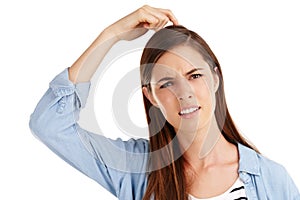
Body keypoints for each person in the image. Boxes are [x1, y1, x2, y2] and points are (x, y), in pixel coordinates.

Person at [29, 5, 299, 200]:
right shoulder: (135, 169)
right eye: (167, 83)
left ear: (216, 79)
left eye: (194, 76)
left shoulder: (271, 180)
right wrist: (112, 35)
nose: (185, 93)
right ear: (151, 96)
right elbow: (50, 125)